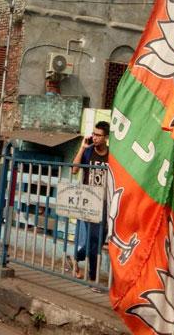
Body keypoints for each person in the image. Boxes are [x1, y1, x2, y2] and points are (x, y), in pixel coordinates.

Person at [70, 121, 110, 283]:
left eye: (98, 135)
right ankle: (93, 278)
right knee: (94, 238)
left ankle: (75, 257)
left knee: (99, 240)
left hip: (106, 202)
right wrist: (82, 147)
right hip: (89, 201)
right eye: (93, 134)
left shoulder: (111, 155)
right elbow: (74, 169)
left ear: (106, 137)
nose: (95, 138)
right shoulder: (88, 152)